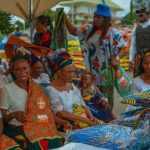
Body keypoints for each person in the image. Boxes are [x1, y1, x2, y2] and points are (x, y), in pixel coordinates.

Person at [64, 4, 127, 107]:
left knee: (106, 103)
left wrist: (117, 58)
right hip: (90, 75)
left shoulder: (113, 33)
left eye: (99, 17)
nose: (95, 19)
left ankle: (108, 122)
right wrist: (64, 17)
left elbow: (124, 48)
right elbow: (73, 31)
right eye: (95, 16)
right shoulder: (88, 29)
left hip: (107, 76)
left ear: (106, 18)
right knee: (92, 102)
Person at [0, 55, 63, 149]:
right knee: (35, 145)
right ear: (13, 71)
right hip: (16, 128)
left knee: (55, 140)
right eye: (18, 70)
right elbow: (3, 119)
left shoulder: (38, 89)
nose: (22, 72)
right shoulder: (7, 89)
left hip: (37, 124)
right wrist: (13, 115)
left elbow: (45, 113)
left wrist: (37, 120)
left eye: (25, 68)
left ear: (30, 69)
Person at [46, 52, 100, 129]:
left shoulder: (72, 86)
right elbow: (61, 113)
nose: (72, 74)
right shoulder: (51, 90)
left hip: (83, 120)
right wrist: (86, 121)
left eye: (73, 71)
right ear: (59, 72)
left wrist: (91, 117)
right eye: (69, 72)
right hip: (69, 125)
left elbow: (83, 105)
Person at [129, 6, 150, 77]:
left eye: (141, 15)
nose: (139, 17)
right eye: (138, 15)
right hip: (139, 59)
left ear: (147, 14)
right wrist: (130, 60)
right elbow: (133, 45)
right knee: (138, 78)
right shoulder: (135, 29)